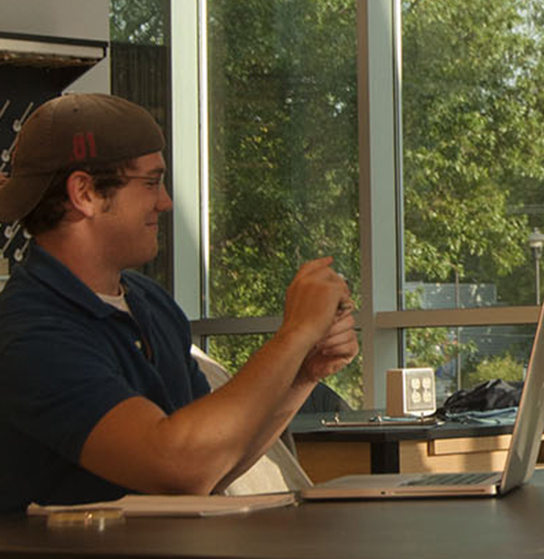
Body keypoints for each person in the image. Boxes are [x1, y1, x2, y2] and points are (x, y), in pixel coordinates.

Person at [0, 94, 358, 513]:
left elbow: (213, 463)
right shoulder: (30, 334)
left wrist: (303, 372)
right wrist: (295, 334)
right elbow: (176, 466)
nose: (165, 201)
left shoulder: (148, 302)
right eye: (151, 183)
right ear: (85, 193)